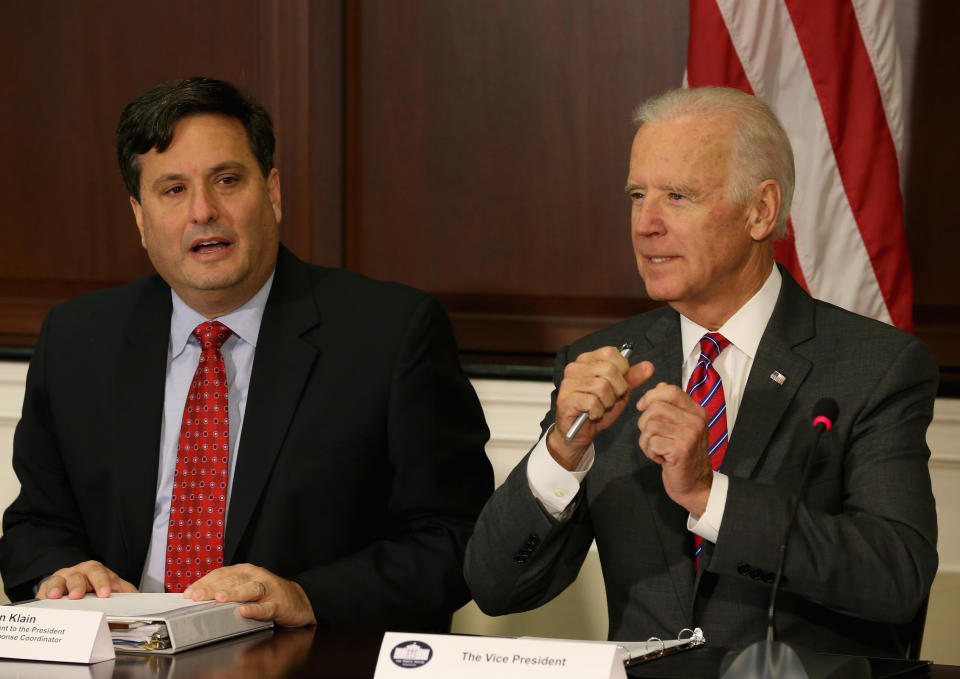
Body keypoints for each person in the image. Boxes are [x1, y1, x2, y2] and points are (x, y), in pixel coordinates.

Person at [0, 77, 494, 631]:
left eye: (227, 180)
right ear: (139, 217)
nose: (203, 211)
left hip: (301, 660)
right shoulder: (77, 338)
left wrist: (306, 597)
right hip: (121, 656)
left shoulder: (390, 334)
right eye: (172, 190)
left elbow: (456, 539)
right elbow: (34, 525)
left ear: (273, 192)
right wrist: (60, 574)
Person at [464, 86, 938, 657]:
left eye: (678, 196)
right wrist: (563, 451)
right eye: (637, 195)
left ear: (760, 211)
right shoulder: (602, 365)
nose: (645, 224)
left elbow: (896, 580)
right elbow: (495, 586)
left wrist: (709, 495)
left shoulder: (873, 366)